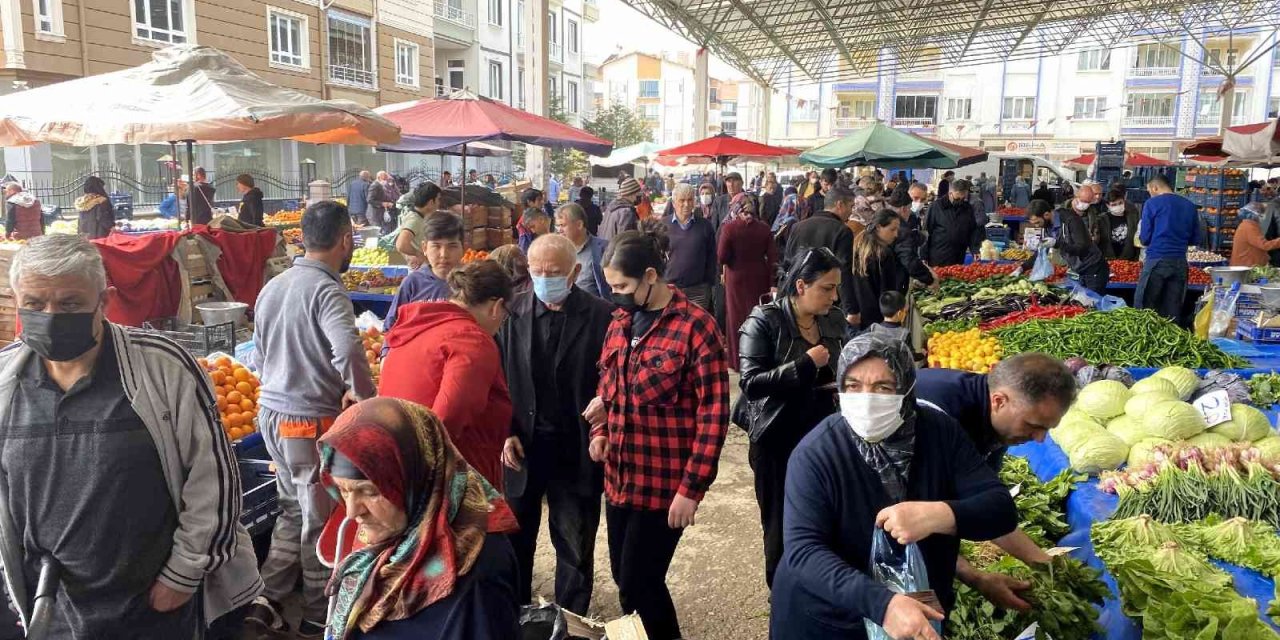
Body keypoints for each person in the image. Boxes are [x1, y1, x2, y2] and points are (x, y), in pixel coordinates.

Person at [0, 234, 261, 638]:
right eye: (35, 304)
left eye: (69, 304)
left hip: (152, 608)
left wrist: (182, 575)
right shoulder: (5, 383)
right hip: (50, 608)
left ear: (104, 302)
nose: (50, 315)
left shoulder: (162, 367)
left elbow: (214, 478)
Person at [769, 333, 1019, 640]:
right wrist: (883, 605)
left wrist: (940, 515)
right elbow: (804, 552)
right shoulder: (817, 453)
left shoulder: (939, 432)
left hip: (916, 611)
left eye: (883, 388)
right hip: (830, 618)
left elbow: (1000, 509)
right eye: (853, 386)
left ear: (906, 389)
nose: (866, 399)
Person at [584, 224, 730, 640]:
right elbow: (609, 386)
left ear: (651, 276)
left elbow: (714, 413)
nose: (616, 294)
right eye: (610, 286)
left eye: (623, 285)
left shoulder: (695, 328)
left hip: (664, 485)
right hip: (619, 477)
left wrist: (691, 488)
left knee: (638, 583)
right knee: (623, 577)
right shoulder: (619, 323)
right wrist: (601, 429)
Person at [248, 200, 377, 639]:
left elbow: (258, 355)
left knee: (292, 506)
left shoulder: (276, 284)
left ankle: (267, 599)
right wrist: (366, 399)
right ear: (346, 240)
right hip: (306, 421)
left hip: (270, 412)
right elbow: (348, 348)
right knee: (318, 516)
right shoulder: (328, 290)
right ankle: (318, 612)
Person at [317, 398, 521, 640]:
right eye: (344, 490)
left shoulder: (474, 579)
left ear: (416, 478)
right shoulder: (396, 533)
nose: (351, 511)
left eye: (370, 491)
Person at [497, 234, 614, 615]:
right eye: (538, 271)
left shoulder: (601, 315)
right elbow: (494, 382)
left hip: (575, 446)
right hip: (523, 448)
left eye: (554, 272)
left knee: (575, 545)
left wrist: (605, 414)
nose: (545, 278)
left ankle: (571, 621)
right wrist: (505, 432)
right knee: (515, 544)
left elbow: (612, 379)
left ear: (575, 271)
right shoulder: (511, 314)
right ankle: (514, 617)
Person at [914, 353, 1077, 610]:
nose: (1039, 439)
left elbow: (982, 504)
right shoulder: (937, 419)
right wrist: (974, 576)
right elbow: (917, 522)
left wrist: (1043, 564)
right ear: (999, 401)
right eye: (1033, 425)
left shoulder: (997, 424)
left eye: (1047, 428)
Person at [735, 247, 846, 587]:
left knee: (822, 519)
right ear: (801, 285)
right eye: (826, 288)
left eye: (836, 287)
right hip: (776, 442)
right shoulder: (764, 320)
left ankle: (815, 586)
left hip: (821, 438)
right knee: (780, 527)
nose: (834, 295)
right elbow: (751, 383)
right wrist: (803, 365)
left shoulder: (832, 319)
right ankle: (782, 593)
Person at [378, 260, 514, 490]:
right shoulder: (472, 341)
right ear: (496, 306)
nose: (502, 323)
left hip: (400, 458)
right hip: (446, 477)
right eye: (505, 315)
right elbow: (449, 416)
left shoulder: (418, 326)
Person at [784, 186, 858, 328]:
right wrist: (851, 309)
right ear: (839, 205)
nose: (852, 211)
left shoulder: (798, 226)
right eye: (851, 206)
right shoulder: (842, 231)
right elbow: (845, 272)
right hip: (826, 304)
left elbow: (788, 263)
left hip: (797, 299)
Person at [719, 193, 778, 366]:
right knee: (756, 318)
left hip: (735, 277)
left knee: (735, 319)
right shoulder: (764, 228)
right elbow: (774, 257)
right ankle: (756, 359)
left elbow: (721, 256)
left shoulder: (729, 228)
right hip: (759, 276)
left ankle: (738, 361)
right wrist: (773, 282)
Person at [383, 212, 465, 334]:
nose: (444, 254)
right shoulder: (413, 283)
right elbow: (391, 327)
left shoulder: (471, 283)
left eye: (452, 246)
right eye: (436, 246)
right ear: (424, 248)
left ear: (463, 247)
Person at [1138, 177, 1202, 322]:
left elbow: (1145, 238)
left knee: (1146, 309)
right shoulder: (1190, 205)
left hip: (1157, 261)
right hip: (1180, 263)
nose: (1149, 194)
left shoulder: (1152, 204)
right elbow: (1195, 239)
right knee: (1173, 310)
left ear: (1155, 188)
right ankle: (1170, 342)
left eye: (1149, 191)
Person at [848, 210, 905, 330]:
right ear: (879, 227)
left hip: (859, 314)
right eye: (892, 229)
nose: (896, 235)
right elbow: (888, 291)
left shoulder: (858, 246)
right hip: (877, 318)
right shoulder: (883, 253)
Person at [666, 183, 718, 310]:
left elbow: (712, 257)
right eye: (682, 200)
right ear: (674, 203)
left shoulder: (705, 226)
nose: (686, 204)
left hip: (698, 290)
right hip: (670, 290)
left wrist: (708, 284)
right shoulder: (663, 226)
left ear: (694, 202)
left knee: (697, 327)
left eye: (690, 200)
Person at [1052, 183, 1109, 294]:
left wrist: (1093, 238)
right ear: (1076, 196)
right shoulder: (1063, 212)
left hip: (1087, 261)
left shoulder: (1092, 214)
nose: (1084, 204)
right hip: (1068, 260)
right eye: (1083, 200)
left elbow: (1095, 232)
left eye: (1088, 202)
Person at [923, 178, 982, 267]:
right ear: (950, 192)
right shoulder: (936, 207)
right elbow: (926, 231)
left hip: (959, 256)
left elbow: (973, 230)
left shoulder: (967, 208)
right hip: (938, 256)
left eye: (963, 198)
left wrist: (975, 249)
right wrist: (923, 255)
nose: (960, 200)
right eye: (957, 197)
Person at [886, 187, 936, 291]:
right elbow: (909, 261)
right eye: (909, 208)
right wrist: (929, 279)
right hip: (894, 281)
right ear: (904, 209)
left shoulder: (881, 219)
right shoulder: (901, 229)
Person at [556, 203, 610, 298]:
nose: (559, 230)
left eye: (563, 225)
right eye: (558, 226)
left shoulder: (603, 249)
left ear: (579, 225)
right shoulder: (558, 251)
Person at [394, 182, 442, 270]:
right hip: (420, 268)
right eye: (438, 199)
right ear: (431, 202)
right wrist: (418, 254)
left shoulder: (420, 216)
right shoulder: (414, 219)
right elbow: (401, 244)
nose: (439, 203)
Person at [1099, 186, 1140, 260]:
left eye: (1120, 203)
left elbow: (1137, 239)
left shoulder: (1133, 217)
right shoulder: (1101, 219)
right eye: (1114, 205)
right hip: (1108, 259)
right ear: (1108, 206)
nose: (1118, 206)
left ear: (1124, 201)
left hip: (1128, 259)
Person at [518, 188, 549, 252]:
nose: (542, 202)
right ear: (529, 202)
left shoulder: (541, 214)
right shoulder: (523, 222)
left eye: (542, 200)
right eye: (539, 200)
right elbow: (524, 248)